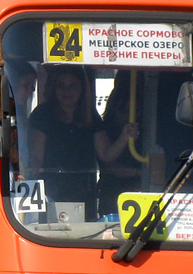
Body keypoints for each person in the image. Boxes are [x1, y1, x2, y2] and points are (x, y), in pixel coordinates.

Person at [27, 65, 100, 216]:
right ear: (54, 88)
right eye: (61, 86)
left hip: (84, 193)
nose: (67, 91)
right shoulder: (42, 114)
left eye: (73, 86)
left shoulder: (90, 116)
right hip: (50, 192)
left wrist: (126, 136)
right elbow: (36, 157)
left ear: (82, 89)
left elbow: (106, 153)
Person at [96, 81, 143, 216]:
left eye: (136, 112)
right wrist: (138, 173)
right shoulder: (104, 131)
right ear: (113, 109)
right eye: (124, 111)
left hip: (140, 191)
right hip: (112, 193)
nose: (130, 117)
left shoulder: (146, 131)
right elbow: (108, 165)